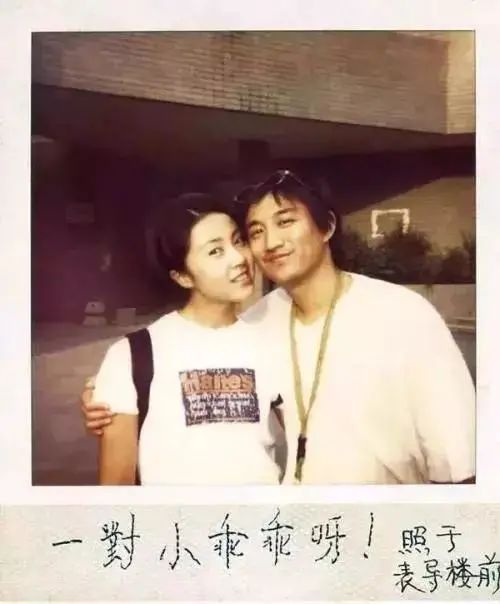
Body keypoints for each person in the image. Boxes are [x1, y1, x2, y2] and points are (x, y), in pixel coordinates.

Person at [83, 170, 475, 485]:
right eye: (255, 232)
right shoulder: (262, 320)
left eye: (285, 222)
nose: (268, 244)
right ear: (182, 275)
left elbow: (458, 459)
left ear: (326, 227)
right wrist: (109, 390)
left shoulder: (404, 315)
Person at [93, 192, 284, 485]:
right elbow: (116, 484)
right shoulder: (132, 355)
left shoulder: (273, 343)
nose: (239, 258)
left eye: (238, 241)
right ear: (182, 276)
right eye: (215, 251)